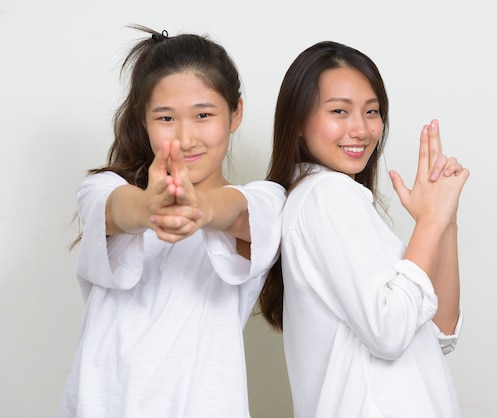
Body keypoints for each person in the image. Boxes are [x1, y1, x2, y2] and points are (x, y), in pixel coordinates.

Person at [58, 25, 284, 418]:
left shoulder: (266, 201)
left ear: (236, 113)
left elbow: (236, 211)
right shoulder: (101, 189)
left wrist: (198, 208)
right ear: (143, 120)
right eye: (166, 118)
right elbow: (118, 209)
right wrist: (151, 208)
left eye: (203, 115)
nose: (185, 137)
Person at [259, 41, 469, 417]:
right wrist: (429, 222)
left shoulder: (332, 199)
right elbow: (389, 333)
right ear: (299, 122)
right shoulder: (326, 193)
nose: (360, 129)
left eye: (372, 112)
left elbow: (441, 332)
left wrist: (443, 220)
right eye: (339, 111)